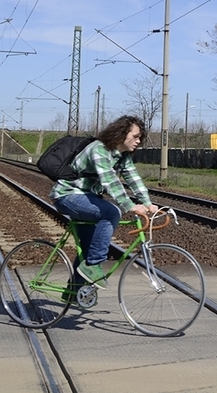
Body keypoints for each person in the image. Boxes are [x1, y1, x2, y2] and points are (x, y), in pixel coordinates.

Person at [50, 115, 158, 291]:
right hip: (68, 196)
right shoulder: (99, 149)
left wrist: (147, 203)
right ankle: (94, 265)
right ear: (122, 133)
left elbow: (133, 178)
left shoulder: (123, 156)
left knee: (87, 247)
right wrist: (129, 205)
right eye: (136, 136)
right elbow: (110, 180)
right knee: (111, 213)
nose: (139, 141)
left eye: (140, 138)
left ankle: (74, 292)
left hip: (87, 198)